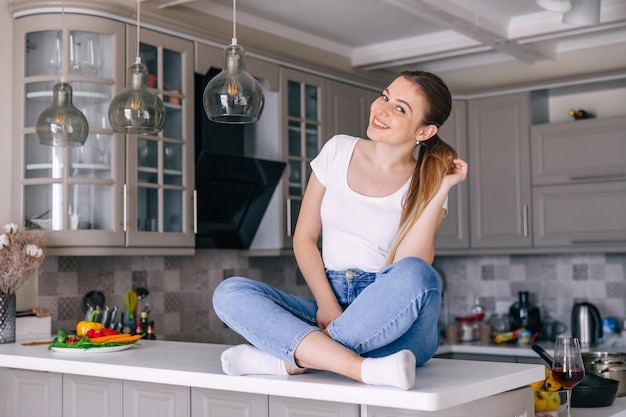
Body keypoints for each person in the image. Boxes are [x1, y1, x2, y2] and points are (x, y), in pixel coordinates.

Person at [213, 70, 468, 390]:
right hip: (331, 301)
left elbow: (409, 266)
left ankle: (290, 359)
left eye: (400, 109)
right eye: (385, 96)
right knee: (230, 292)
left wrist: (442, 189)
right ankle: (360, 367)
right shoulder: (338, 150)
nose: (382, 109)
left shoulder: (429, 180)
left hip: (394, 319)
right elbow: (304, 237)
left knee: (419, 274)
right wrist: (327, 304)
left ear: (425, 130)